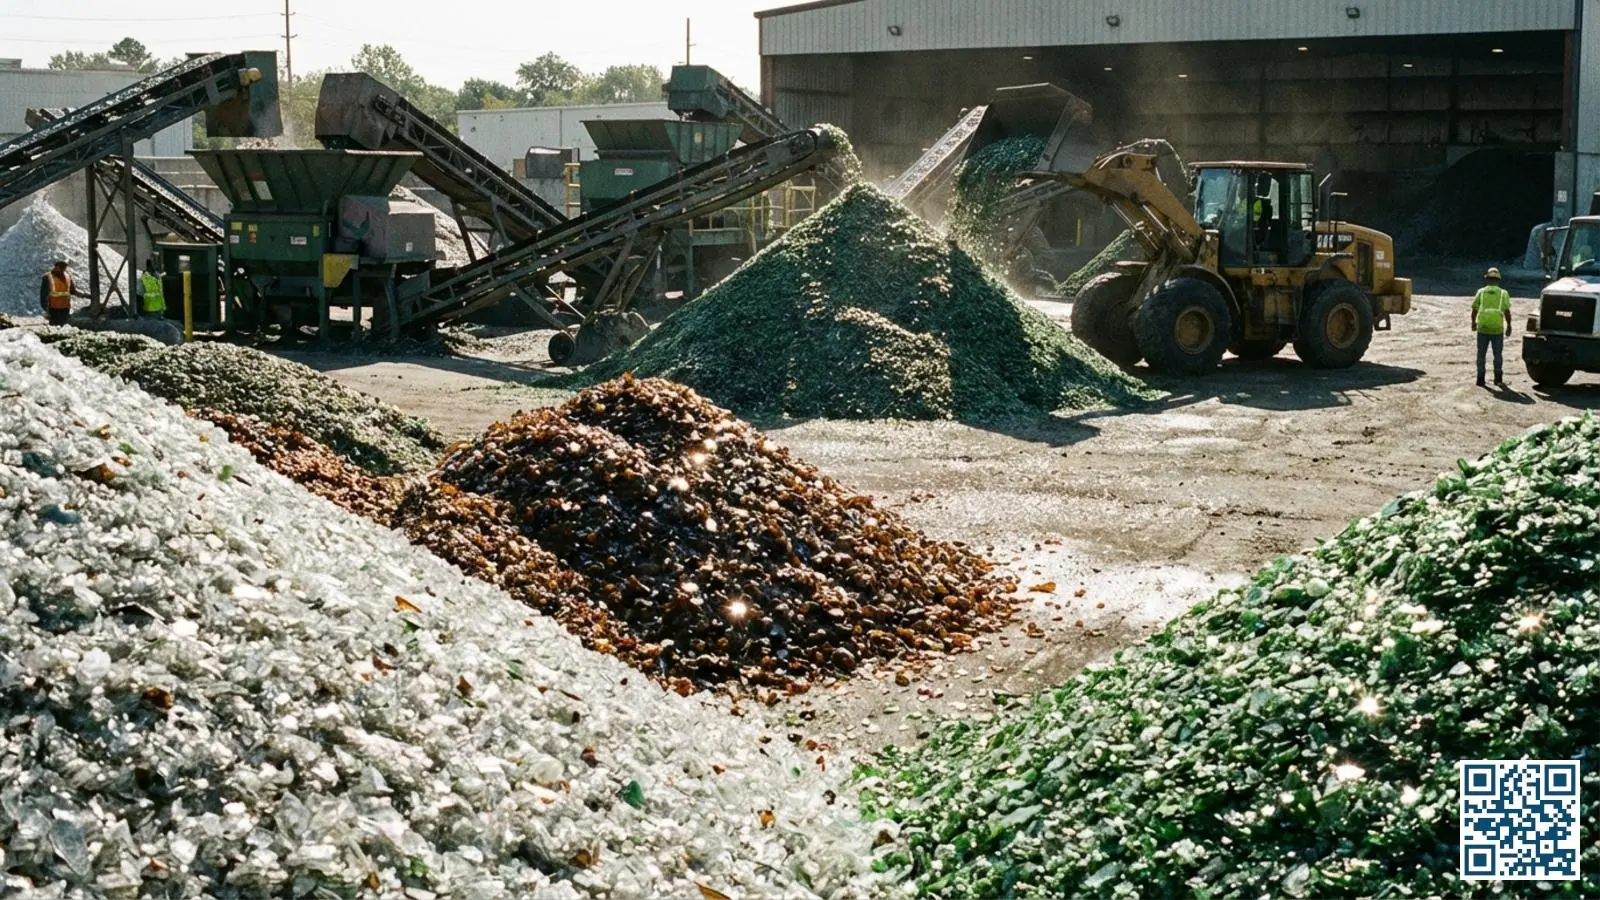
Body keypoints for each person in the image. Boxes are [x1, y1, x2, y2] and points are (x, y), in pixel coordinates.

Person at [1471, 267, 1512, 387]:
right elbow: (1507, 311)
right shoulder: (1503, 293)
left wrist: (1473, 322)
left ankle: (1480, 379)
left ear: (1487, 279)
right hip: (1497, 329)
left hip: (1483, 328)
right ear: (1498, 280)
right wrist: (1509, 325)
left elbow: (1474, 309)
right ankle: (1498, 378)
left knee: (1481, 354)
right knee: (1497, 355)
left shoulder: (1481, 292)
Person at [38, 259, 73, 326]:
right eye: (61, 268)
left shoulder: (67, 276)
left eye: (64, 268)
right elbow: (43, 295)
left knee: (64, 327)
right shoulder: (47, 277)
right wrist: (46, 310)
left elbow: (72, 290)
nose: (63, 270)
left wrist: (83, 295)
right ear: (56, 266)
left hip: (65, 309)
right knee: (54, 326)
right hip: (53, 310)